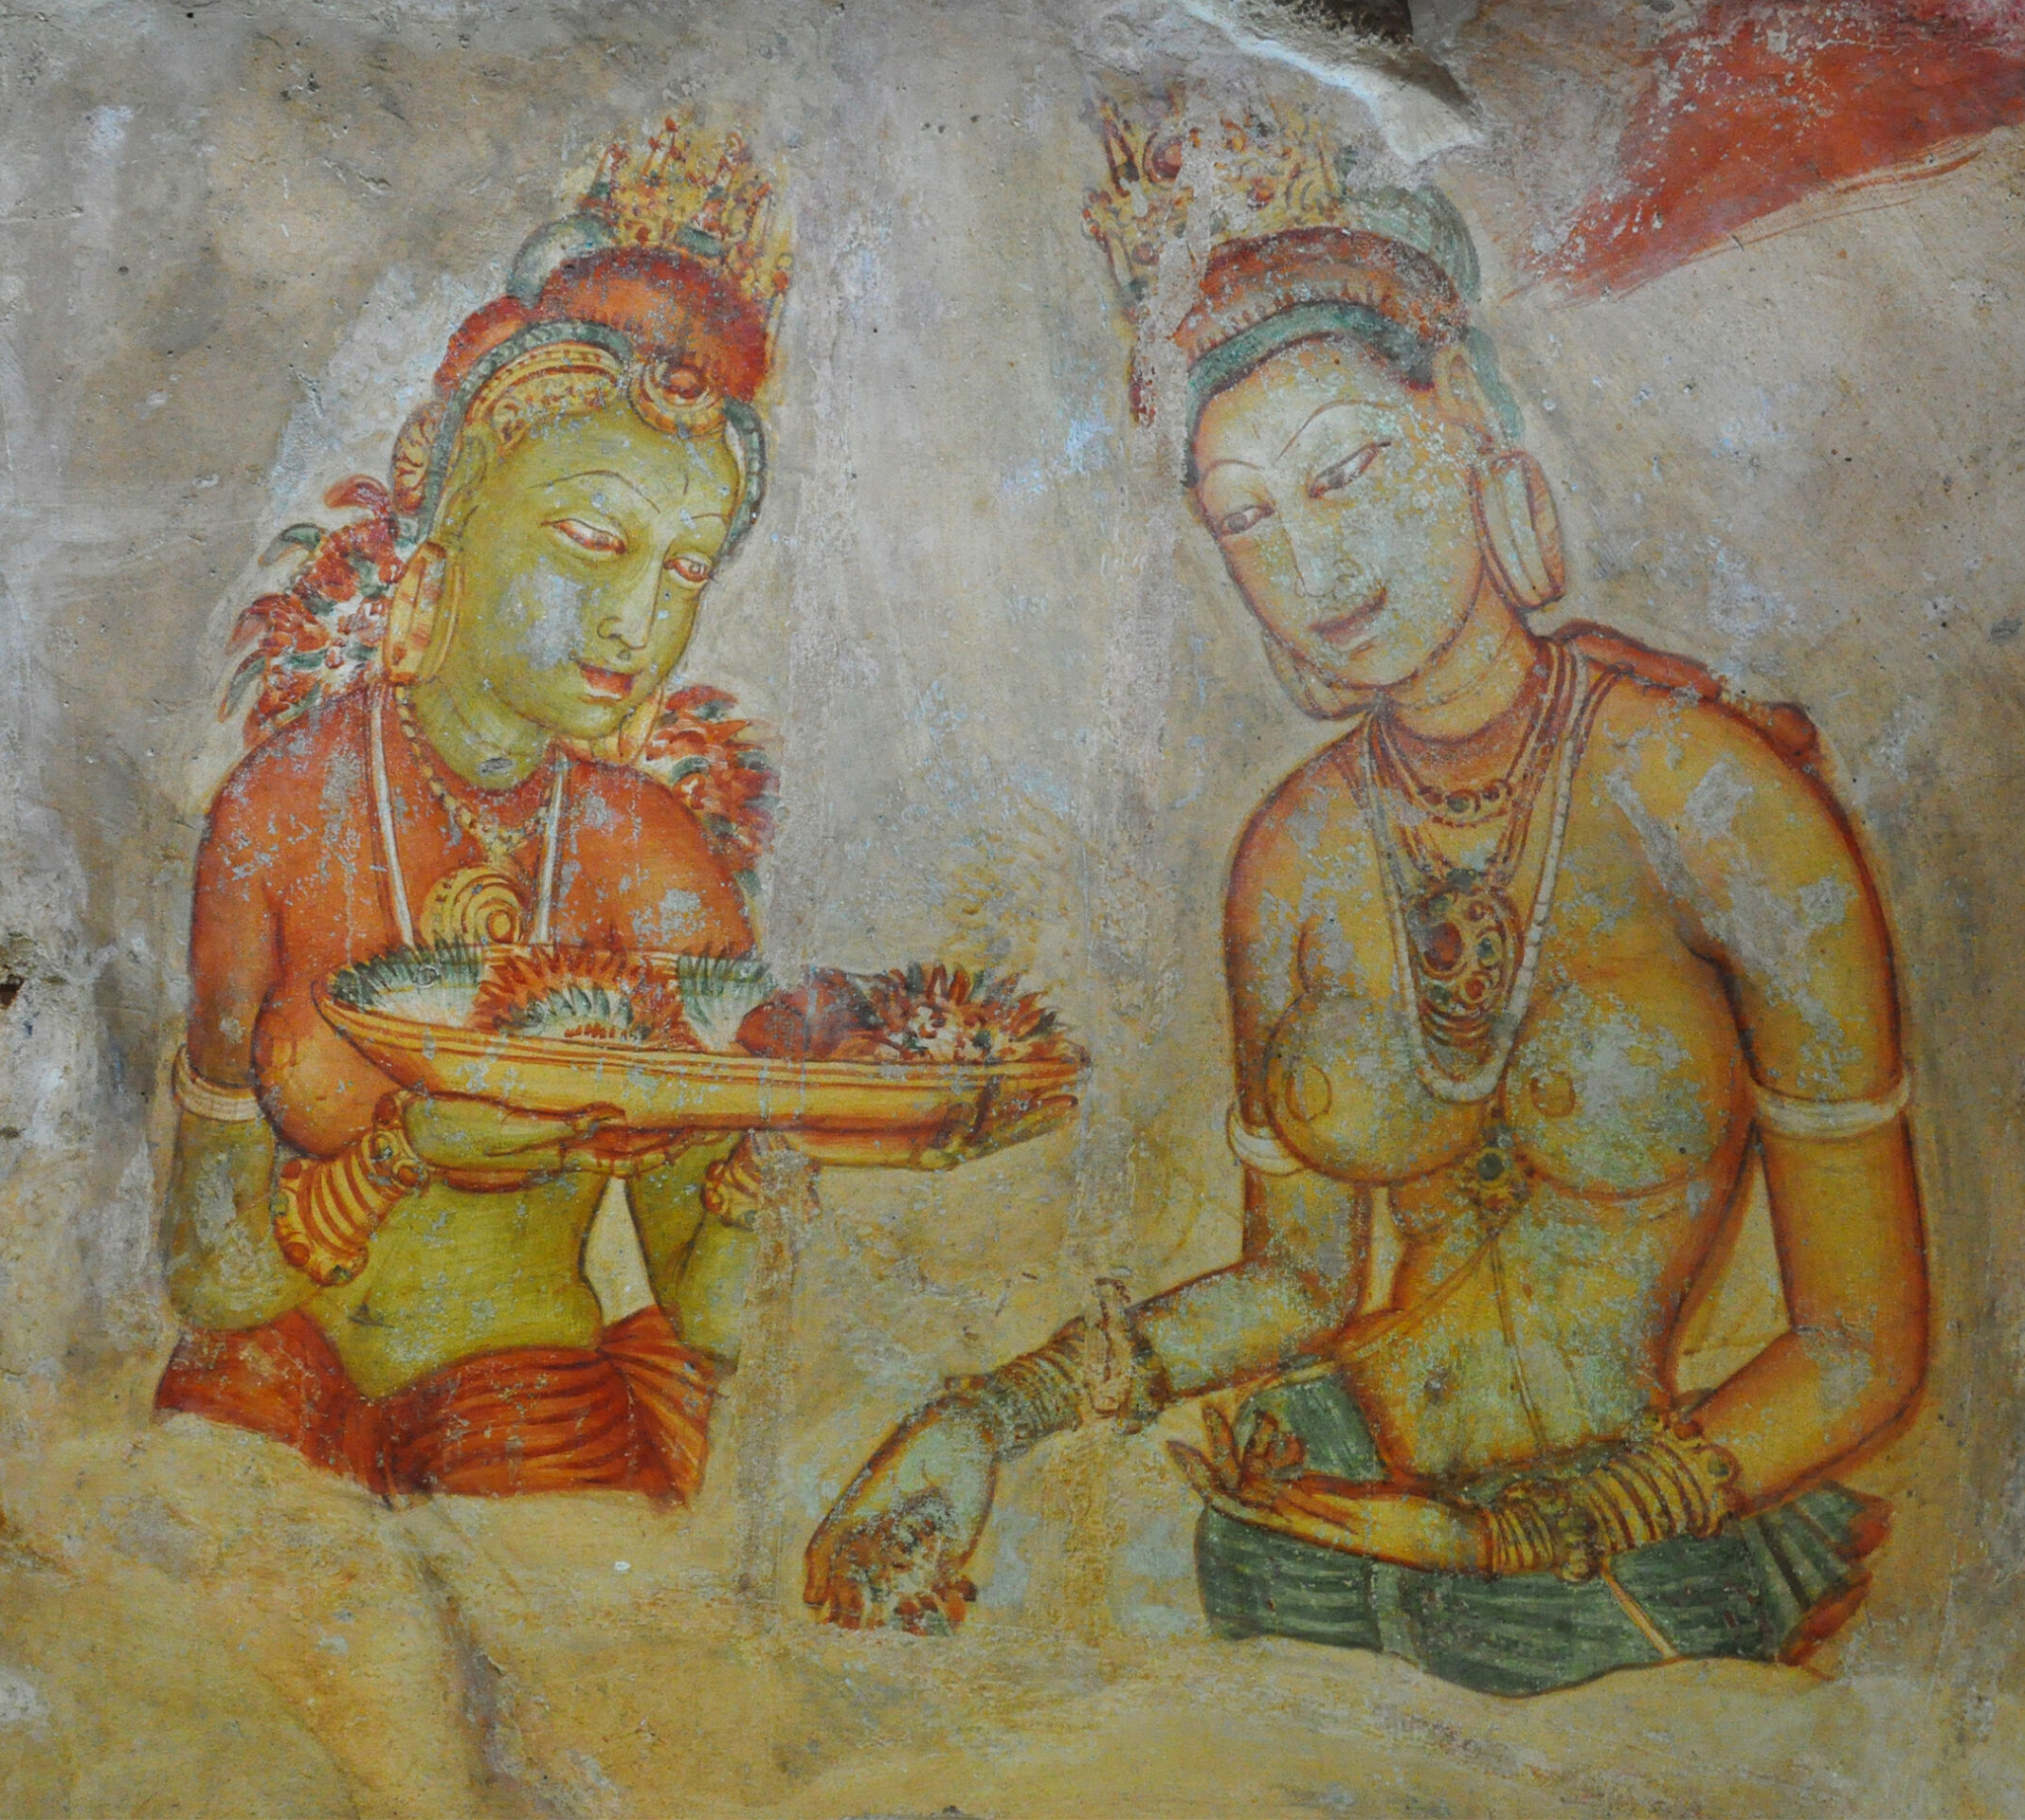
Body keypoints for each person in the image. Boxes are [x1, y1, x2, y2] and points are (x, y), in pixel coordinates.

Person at [804, 105, 1928, 1694]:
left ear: (1462, 417)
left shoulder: (1723, 811)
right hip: (1310, 1506)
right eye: (1245, 516)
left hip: (1616, 1555)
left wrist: (1536, 1531)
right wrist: (988, 1415)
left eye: (1345, 470)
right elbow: (1305, 1280)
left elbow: (1865, 1347)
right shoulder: (1292, 858)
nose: (1310, 558)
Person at [154, 123, 795, 1504]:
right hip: (273, 1379)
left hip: (523, 1403)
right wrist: (395, 1154)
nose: (643, 619)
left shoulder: (658, 864)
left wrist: (761, 1136)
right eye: (591, 539)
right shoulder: (278, 816)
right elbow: (210, 1272)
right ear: (456, 518)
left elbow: (721, 1309)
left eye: (685, 566)